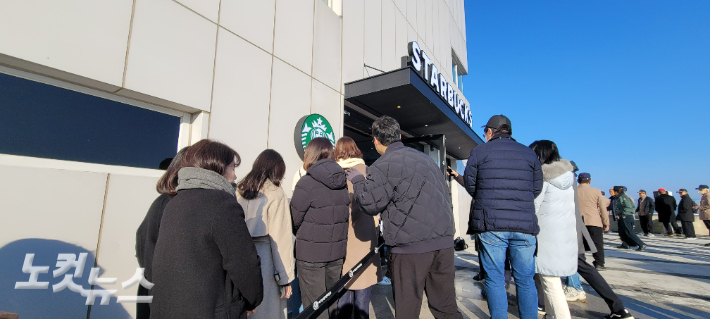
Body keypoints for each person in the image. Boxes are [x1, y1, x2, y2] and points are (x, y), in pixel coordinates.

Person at [350, 116, 463, 319]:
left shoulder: (381, 166)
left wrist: (358, 180)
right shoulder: (428, 161)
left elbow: (369, 203)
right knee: (446, 308)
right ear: (400, 136)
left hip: (410, 249)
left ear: (375, 141)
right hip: (443, 243)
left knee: (407, 310)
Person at [151, 139, 263, 319]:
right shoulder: (223, 204)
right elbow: (244, 264)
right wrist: (252, 300)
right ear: (217, 167)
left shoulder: (175, 202)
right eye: (232, 168)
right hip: (211, 310)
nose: (235, 176)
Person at [463, 115, 542, 319]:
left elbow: (472, 185)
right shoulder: (529, 153)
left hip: (491, 223)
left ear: (490, 132)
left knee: (495, 278)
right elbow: (536, 188)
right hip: (524, 224)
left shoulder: (479, 151)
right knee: (525, 280)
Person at [290, 137, 350, 319]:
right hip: (337, 253)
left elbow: (294, 220)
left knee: (315, 306)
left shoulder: (306, 183)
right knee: (332, 301)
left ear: (310, 155)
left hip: (311, 255)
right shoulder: (342, 182)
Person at [236, 149, 295, 319]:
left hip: (239, 257)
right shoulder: (276, 194)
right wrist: (285, 278)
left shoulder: (239, 190)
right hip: (266, 261)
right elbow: (280, 240)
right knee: (267, 312)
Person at [135, 147, 188, 319]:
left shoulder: (165, 201)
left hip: (153, 290)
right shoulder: (175, 204)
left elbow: (142, 245)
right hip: (166, 297)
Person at [333, 137, 381, 319]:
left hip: (341, 239)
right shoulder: (367, 172)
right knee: (362, 298)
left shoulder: (335, 174)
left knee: (343, 294)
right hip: (364, 238)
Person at [529, 141, 577, 319]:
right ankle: (550, 315)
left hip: (547, 238)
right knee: (551, 281)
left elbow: (533, 206)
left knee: (551, 284)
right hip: (563, 237)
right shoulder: (567, 178)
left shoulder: (544, 178)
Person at [576, 172, 609, 270]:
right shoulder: (596, 191)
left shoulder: (573, 191)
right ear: (589, 181)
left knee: (579, 243)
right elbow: (603, 208)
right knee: (597, 243)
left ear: (578, 181)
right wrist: (605, 222)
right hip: (593, 220)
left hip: (577, 221)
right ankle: (599, 263)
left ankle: (580, 262)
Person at [613, 186, 646, 251]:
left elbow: (629, 207)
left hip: (626, 216)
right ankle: (625, 244)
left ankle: (641, 244)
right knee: (622, 231)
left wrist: (624, 214)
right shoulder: (620, 197)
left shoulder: (624, 197)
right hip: (622, 216)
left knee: (629, 231)